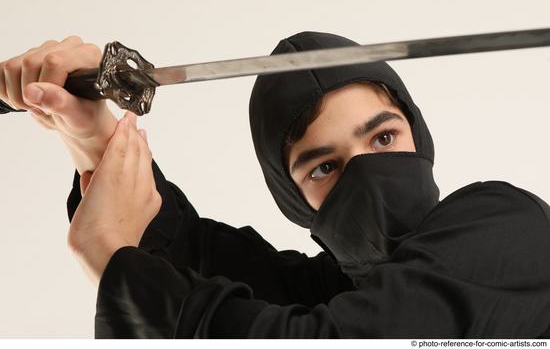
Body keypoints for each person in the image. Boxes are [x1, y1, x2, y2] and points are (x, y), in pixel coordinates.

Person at [1, 32, 550, 338]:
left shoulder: (504, 225)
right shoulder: (335, 293)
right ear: (293, 200)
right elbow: (195, 259)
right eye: (324, 167)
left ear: (417, 134)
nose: (367, 172)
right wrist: (95, 139)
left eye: (382, 139)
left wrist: (116, 262)